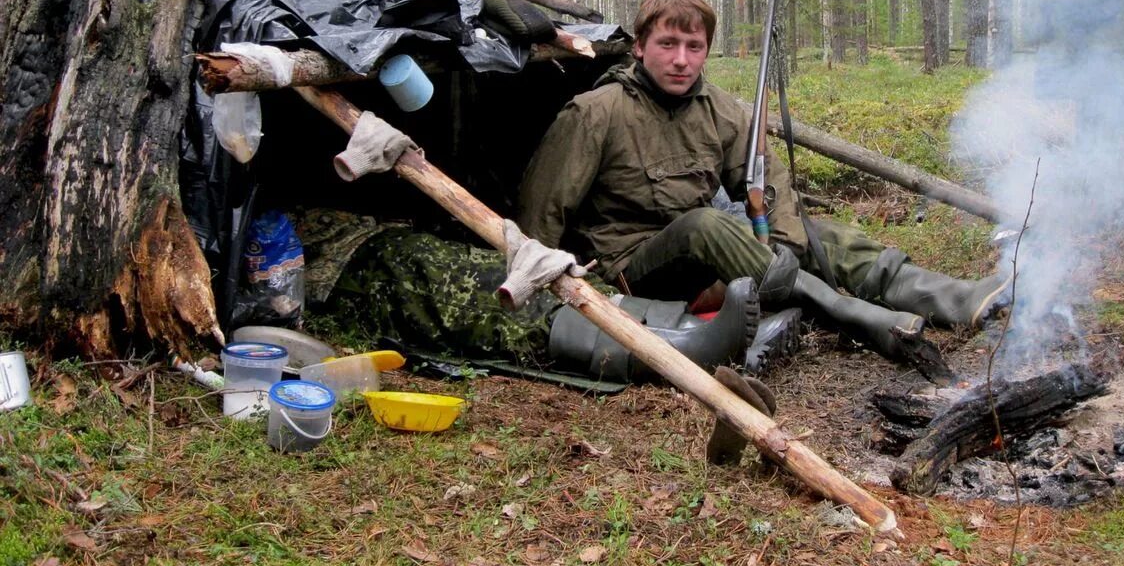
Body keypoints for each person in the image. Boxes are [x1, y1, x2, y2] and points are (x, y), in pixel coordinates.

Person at [518, 0, 1011, 375]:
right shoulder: (595, 114)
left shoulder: (718, 110)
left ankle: (954, 298)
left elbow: (767, 185)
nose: (681, 60)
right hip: (632, 270)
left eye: (695, 46)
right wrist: (557, 297)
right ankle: (860, 318)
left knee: (819, 232)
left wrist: (787, 242)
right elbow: (541, 215)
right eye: (667, 44)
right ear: (640, 47)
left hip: (703, 266)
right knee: (707, 225)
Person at [327, 224, 801, 382]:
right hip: (341, 265)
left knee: (512, 269)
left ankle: (686, 331)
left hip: (361, 237)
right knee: (466, 293)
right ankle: (676, 350)